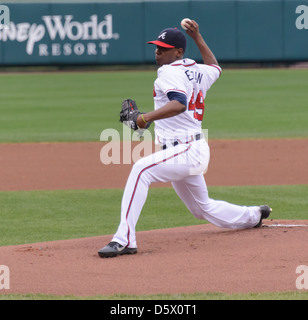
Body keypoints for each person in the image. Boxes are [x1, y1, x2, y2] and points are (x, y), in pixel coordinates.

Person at [98, 20, 271, 258]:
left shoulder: (168, 72)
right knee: (202, 208)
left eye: (164, 48)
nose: (158, 51)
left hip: (186, 149)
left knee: (141, 170)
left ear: (178, 52)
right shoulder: (197, 69)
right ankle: (254, 215)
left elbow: (179, 104)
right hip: (191, 149)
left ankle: (124, 239)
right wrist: (198, 37)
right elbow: (215, 67)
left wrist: (143, 119)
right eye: (157, 46)